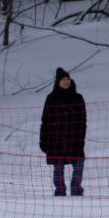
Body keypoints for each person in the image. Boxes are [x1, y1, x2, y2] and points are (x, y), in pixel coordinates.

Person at [39, 67, 87, 196]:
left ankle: (76, 189)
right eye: (63, 79)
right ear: (58, 82)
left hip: (75, 139)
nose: (66, 81)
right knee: (58, 167)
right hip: (56, 140)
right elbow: (45, 121)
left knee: (78, 165)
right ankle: (60, 191)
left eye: (67, 79)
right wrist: (43, 141)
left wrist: (81, 138)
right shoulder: (51, 98)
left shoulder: (78, 98)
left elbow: (83, 121)